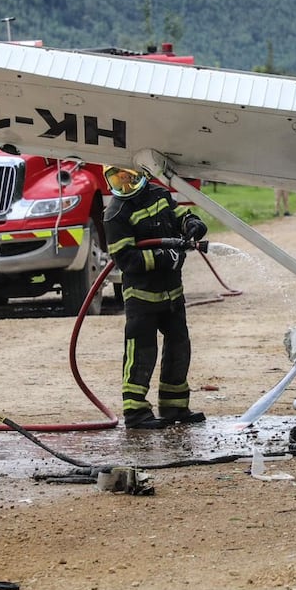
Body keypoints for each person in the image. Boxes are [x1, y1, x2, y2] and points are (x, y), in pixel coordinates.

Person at [102, 165, 210, 429]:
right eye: (118, 180)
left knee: (179, 346)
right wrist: (163, 256)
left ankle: (174, 407)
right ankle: (136, 412)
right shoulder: (115, 214)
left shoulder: (159, 195)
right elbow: (126, 259)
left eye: (128, 178)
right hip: (141, 297)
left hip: (172, 293)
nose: (125, 185)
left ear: (142, 174)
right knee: (142, 352)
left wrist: (192, 223)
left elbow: (178, 216)